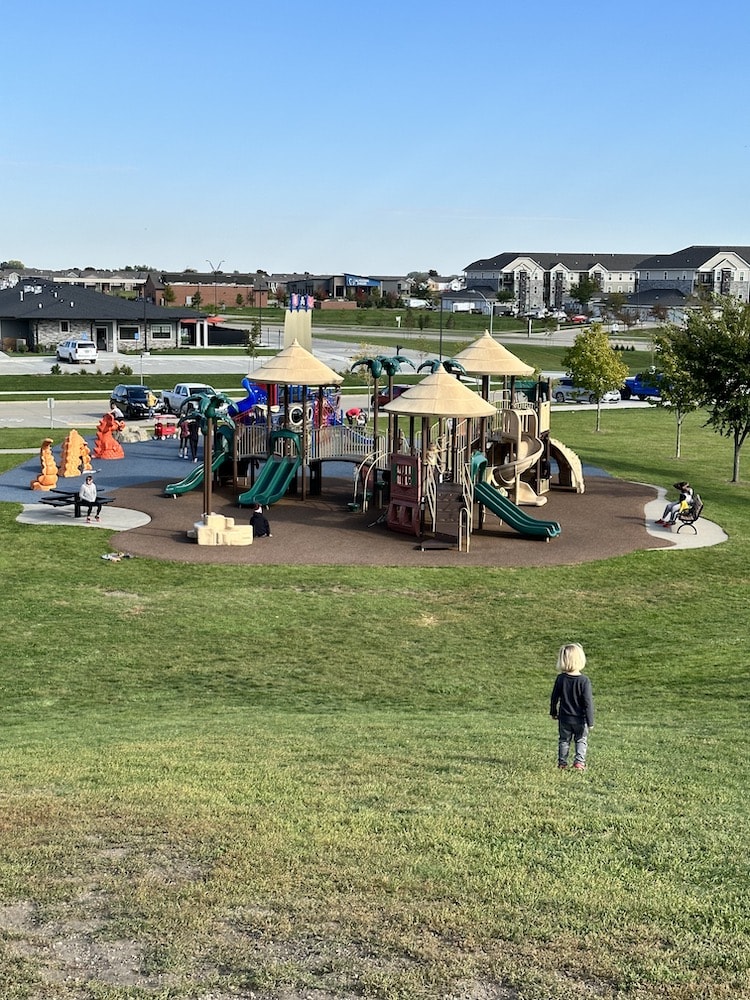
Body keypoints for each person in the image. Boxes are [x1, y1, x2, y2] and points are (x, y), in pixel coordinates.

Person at [550, 642, 595, 771]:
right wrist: (590, 721)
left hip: (564, 718)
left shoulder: (560, 679)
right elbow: (588, 703)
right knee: (581, 740)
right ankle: (579, 763)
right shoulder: (584, 681)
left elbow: (554, 698)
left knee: (564, 740)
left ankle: (562, 763)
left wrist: (553, 712)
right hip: (580, 720)